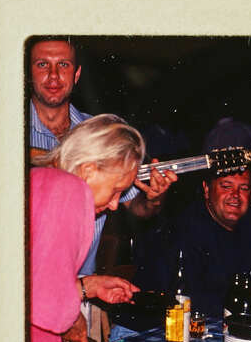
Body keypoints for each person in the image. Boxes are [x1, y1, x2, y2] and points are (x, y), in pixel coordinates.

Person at [28, 37, 177, 275]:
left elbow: (136, 206)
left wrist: (153, 199)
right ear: (28, 73)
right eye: (42, 64)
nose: (53, 75)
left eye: (63, 65)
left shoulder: (103, 134)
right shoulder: (7, 132)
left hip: (86, 282)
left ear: (77, 74)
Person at [33, 114, 145, 342]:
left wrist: (88, 286)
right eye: (115, 190)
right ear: (88, 171)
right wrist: (72, 317)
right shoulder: (69, 191)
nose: (114, 205)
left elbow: (35, 283)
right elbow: (52, 308)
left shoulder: (41, 180)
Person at [138, 165, 251, 317]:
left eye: (244, 188)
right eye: (226, 186)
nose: (235, 195)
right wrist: (249, 295)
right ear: (207, 189)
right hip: (159, 323)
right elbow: (183, 299)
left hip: (232, 321)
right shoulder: (185, 227)